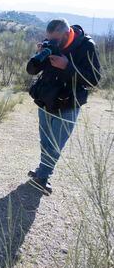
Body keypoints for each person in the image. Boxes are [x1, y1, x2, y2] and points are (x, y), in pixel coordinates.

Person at [26, 18, 101, 195]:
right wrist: (40, 54)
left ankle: (43, 177)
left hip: (68, 104)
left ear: (67, 34)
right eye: (49, 39)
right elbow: (32, 70)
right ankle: (42, 171)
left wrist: (67, 66)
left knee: (55, 143)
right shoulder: (51, 44)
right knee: (45, 141)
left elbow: (94, 79)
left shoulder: (86, 46)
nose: (53, 43)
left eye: (55, 40)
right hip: (45, 100)